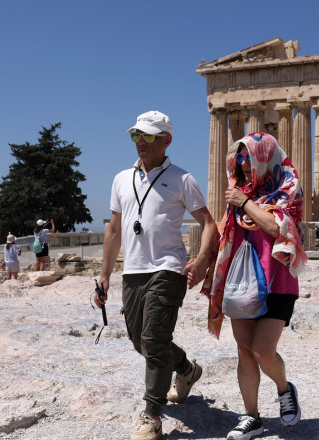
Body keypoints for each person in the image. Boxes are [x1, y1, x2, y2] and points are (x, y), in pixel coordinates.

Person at [93, 110, 219, 440]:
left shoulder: (182, 178)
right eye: (136, 135)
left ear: (166, 140)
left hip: (168, 268)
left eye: (148, 136)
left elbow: (209, 223)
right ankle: (187, 369)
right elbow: (114, 230)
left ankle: (151, 415)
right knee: (143, 342)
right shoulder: (121, 179)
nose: (141, 142)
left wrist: (203, 259)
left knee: (153, 339)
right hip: (133, 272)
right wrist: (105, 275)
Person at [208, 132, 306, 439]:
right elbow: (227, 234)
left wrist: (246, 203)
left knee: (264, 351)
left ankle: (284, 389)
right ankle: (251, 416)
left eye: (249, 157)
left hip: (278, 280)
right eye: (239, 159)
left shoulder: (287, 186)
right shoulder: (239, 190)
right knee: (245, 352)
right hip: (242, 282)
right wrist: (207, 267)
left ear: (265, 157)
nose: (244, 165)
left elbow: (277, 228)